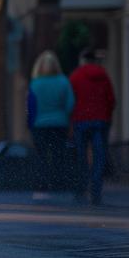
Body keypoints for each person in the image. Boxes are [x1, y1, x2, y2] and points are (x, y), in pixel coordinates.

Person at [69, 49, 116, 205]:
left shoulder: (75, 76)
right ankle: (96, 190)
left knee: (81, 156)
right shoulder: (103, 76)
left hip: (81, 120)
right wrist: (107, 116)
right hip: (100, 121)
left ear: (82, 60)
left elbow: (70, 100)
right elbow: (111, 99)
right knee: (99, 156)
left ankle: (81, 187)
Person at [27, 50, 74, 193]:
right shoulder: (64, 81)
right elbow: (70, 104)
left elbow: (30, 107)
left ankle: (41, 184)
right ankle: (58, 184)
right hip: (59, 124)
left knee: (41, 155)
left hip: (39, 125)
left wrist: (30, 124)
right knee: (58, 154)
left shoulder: (35, 83)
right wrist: (66, 117)